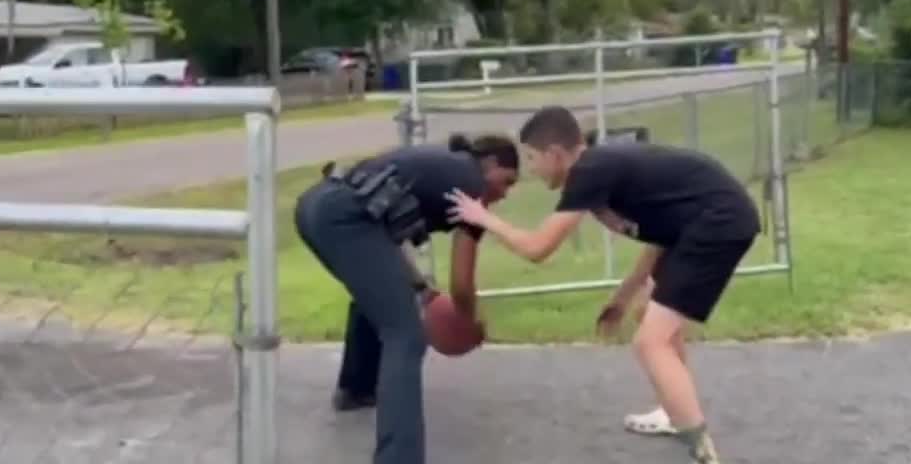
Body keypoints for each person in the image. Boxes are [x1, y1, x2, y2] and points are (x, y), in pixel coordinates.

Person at [445, 106, 758, 464]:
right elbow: (662, 235)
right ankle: (674, 413)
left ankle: (703, 452)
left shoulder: (590, 170)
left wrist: (483, 217)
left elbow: (538, 249)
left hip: (718, 223)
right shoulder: (600, 170)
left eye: (532, 158)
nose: (531, 169)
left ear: (555, 154)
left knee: (649, 344)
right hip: (699, 227)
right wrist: (623, 298)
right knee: (648, 316)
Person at [296, 132, 519, 464]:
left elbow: (384, 242)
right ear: (489, 165)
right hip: (344, 218)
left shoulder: (443, 167)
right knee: (406, 336)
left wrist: (421, 290)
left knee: (375, 298)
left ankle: (356, 389)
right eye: (506, 181)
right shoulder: (473, 189)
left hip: (315, 205)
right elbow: (461, 282)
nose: (504, 193)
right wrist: (469, 321)